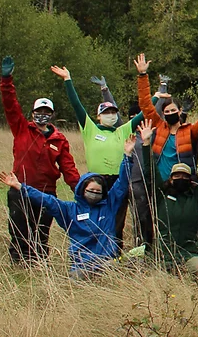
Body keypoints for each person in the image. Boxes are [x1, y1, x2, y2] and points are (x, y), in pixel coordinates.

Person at [0, 122, 148, 278]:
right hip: (82, 268)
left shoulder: (109, 205)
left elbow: (122, 182)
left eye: (98, 191)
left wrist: (127, 155)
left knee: (137, 258)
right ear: (82, 191)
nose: (94, 194)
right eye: (90, 190)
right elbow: (47, 200)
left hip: (108, 265)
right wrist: (21, 187)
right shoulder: (70, 210)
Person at [0, 55, 81, 265]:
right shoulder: (21, 128)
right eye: (38, 111)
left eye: (46, 112)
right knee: (19, 229)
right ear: (33, 113)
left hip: (46, 193)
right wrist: (6, 80)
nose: (42, 115)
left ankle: (39, 266)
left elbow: (68, 168)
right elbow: (10, 105)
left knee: (41, 232)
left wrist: (80, 190)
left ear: (51, 115)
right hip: (19, 188)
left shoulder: (59, 140)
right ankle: (19, 265)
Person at [51, 66, 145, 240]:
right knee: (94, 220)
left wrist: (157, 94)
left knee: (117, 221)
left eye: (113, 113)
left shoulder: (122, 131)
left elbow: (145, 112)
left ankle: (114, 255)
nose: (110, 115)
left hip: (118, 180)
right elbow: (76, 105)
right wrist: (67, 80)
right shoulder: (90, 129)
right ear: (98, 116)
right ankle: (93, 254)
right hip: (96, 181)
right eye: (106, 112)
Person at [133, 54, 198, 180]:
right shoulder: (159, 127)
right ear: (163, 113)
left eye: (173, 110)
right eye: (167, 111)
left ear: (180, 111)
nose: (170, 113)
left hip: (184, 183)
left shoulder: (190, 131)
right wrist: (143, 75)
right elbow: (145, 105)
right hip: (160, 183)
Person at [147, 124, 198, 278]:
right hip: (164, 255)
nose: (181, 178)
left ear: (190, 180)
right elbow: (149, 170)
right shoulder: (160, 196)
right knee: (161, 281)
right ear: (170, 179)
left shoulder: (196, 198)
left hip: (189, 254)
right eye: (177, 176)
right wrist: (146, 145)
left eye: (185, 176)